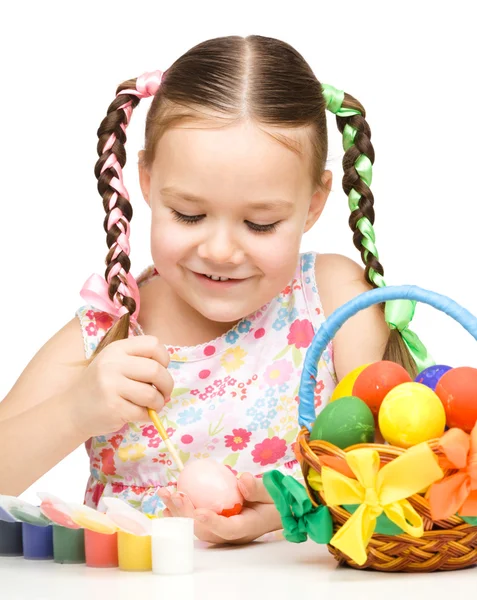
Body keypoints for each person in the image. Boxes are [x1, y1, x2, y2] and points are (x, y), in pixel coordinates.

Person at [0, 35, 430, 545]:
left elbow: (414, 475)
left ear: (314, 203)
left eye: (261, 222)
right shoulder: (106, 334)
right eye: (189, 214)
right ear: (146, 178)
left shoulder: (336, 303)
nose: (222, 250)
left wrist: (296, 506)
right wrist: (76, 410)